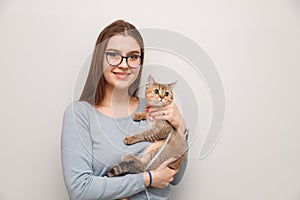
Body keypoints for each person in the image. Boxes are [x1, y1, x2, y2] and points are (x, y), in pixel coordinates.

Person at [61, 19, 188, 200]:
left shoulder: (154, 109)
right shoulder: (80, 114)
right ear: (99, 58)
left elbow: (175, 177)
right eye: (113, 54)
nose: (124, 64)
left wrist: (181, 127)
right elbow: (80, 190)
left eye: (133, 57)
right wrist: (147, 179)